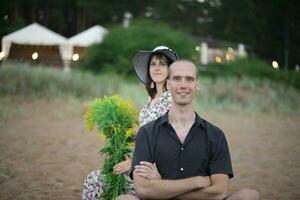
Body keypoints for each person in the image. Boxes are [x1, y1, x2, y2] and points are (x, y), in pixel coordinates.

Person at [117, 60, 259, 200]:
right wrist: (196, 181)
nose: (183, 85)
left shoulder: (215, 135)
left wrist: (161, 187)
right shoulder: (147, 132)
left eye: (189, 79)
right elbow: (144, 190)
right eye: (177, 78)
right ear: (168, 84)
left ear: (197, 84)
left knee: (249, 195)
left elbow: (219, 192)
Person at [81, 46, 178, 200]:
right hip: (138, 165)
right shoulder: (151, 100)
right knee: (96, 179)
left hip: (154, 171)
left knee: (95, 181)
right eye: (153, 64)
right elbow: (144, 135)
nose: (157, 68)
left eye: (162, 64)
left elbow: (166, 140)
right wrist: (119, 134)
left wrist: (133, 163)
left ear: (171, 69)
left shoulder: (172, 100)